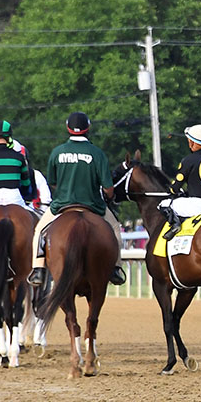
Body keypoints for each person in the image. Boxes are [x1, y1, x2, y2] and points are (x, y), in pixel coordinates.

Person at [26, 112, 125, 287]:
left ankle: (38, 270)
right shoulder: (97, 153)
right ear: (88, 128)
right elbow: (108, 188)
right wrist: (109, 197)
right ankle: (116, 269)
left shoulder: (57, 152)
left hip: (62, 205)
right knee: (115, 229)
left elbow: (53, 183)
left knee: (40, 230)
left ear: (68, 128)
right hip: (93, 205)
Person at [158, 124, 201, 241]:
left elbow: (175, 188)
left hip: (198, 206)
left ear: (192, 142)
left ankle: (175, 226)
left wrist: (172, 190)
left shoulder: (188, 160)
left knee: (164, 204)